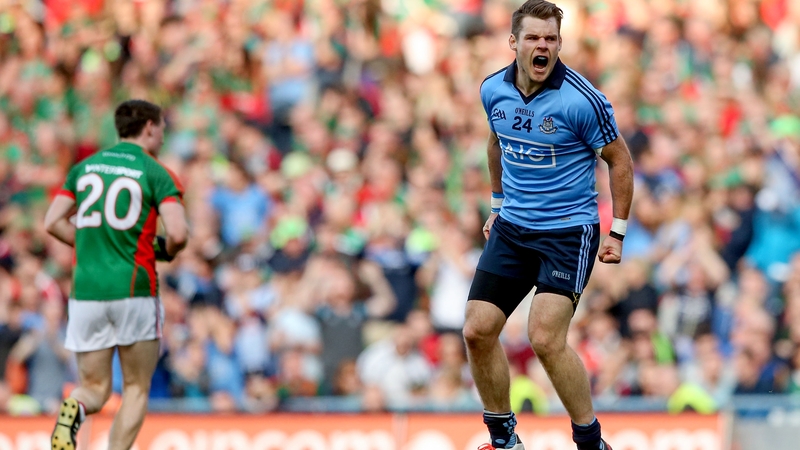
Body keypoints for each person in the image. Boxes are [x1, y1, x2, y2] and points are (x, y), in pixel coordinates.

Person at [462, 2, 633, 450]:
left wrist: (617, 232)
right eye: (534, 37)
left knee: (543, 337)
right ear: (514, 42)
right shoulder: (492, 89)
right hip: (513, 228)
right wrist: (497, 204)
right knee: (477, 330)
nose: (543, 46)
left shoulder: (582, 100)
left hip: (567, 233)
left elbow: (620, 160)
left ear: (559, 43)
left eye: (551, 38)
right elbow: (496, 143)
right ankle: (504, 440)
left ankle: (590, 442)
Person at [44, 100, 188, 450]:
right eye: (162, 127)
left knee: (94, 389)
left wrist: (93, 245)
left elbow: (52, 221)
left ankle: (74, 407)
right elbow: (178, 233)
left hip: (86, 292)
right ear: (150, 127)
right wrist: (164, 250)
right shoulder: (156, 172)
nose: (163, 135)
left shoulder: (84, 168)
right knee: (136, 388)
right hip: (134, 289)